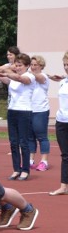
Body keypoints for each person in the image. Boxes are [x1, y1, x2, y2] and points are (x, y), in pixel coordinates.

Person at [0, 53, 35, 180]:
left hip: (24, 111)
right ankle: (16, 169)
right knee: (13, 142)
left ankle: (25, 170)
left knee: (23, 142)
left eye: (20, 65)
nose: (18, 67)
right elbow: (6, 79)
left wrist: (7, 73)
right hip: (12, 110)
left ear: (27, 66)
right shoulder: (12, 78)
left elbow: (21, 79)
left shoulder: (30, 76)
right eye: (16, 65)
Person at [49, 52, 68, 196]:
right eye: (65, 65)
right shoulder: (64, 81)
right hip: (61, 121)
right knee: (65, 155)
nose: (66, 67)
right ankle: (63, 186)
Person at [28, 55, 50, 171]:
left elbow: (39, 78)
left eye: (35, 65)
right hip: (29, 109)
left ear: (41, 66)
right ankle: (30, 160)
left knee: (41, 136)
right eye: (31, 65)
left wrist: (26, 71)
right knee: (30, 137)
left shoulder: (43, 76)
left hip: (40, 110)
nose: (32, 67)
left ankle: (44, 161)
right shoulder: (29, 77)